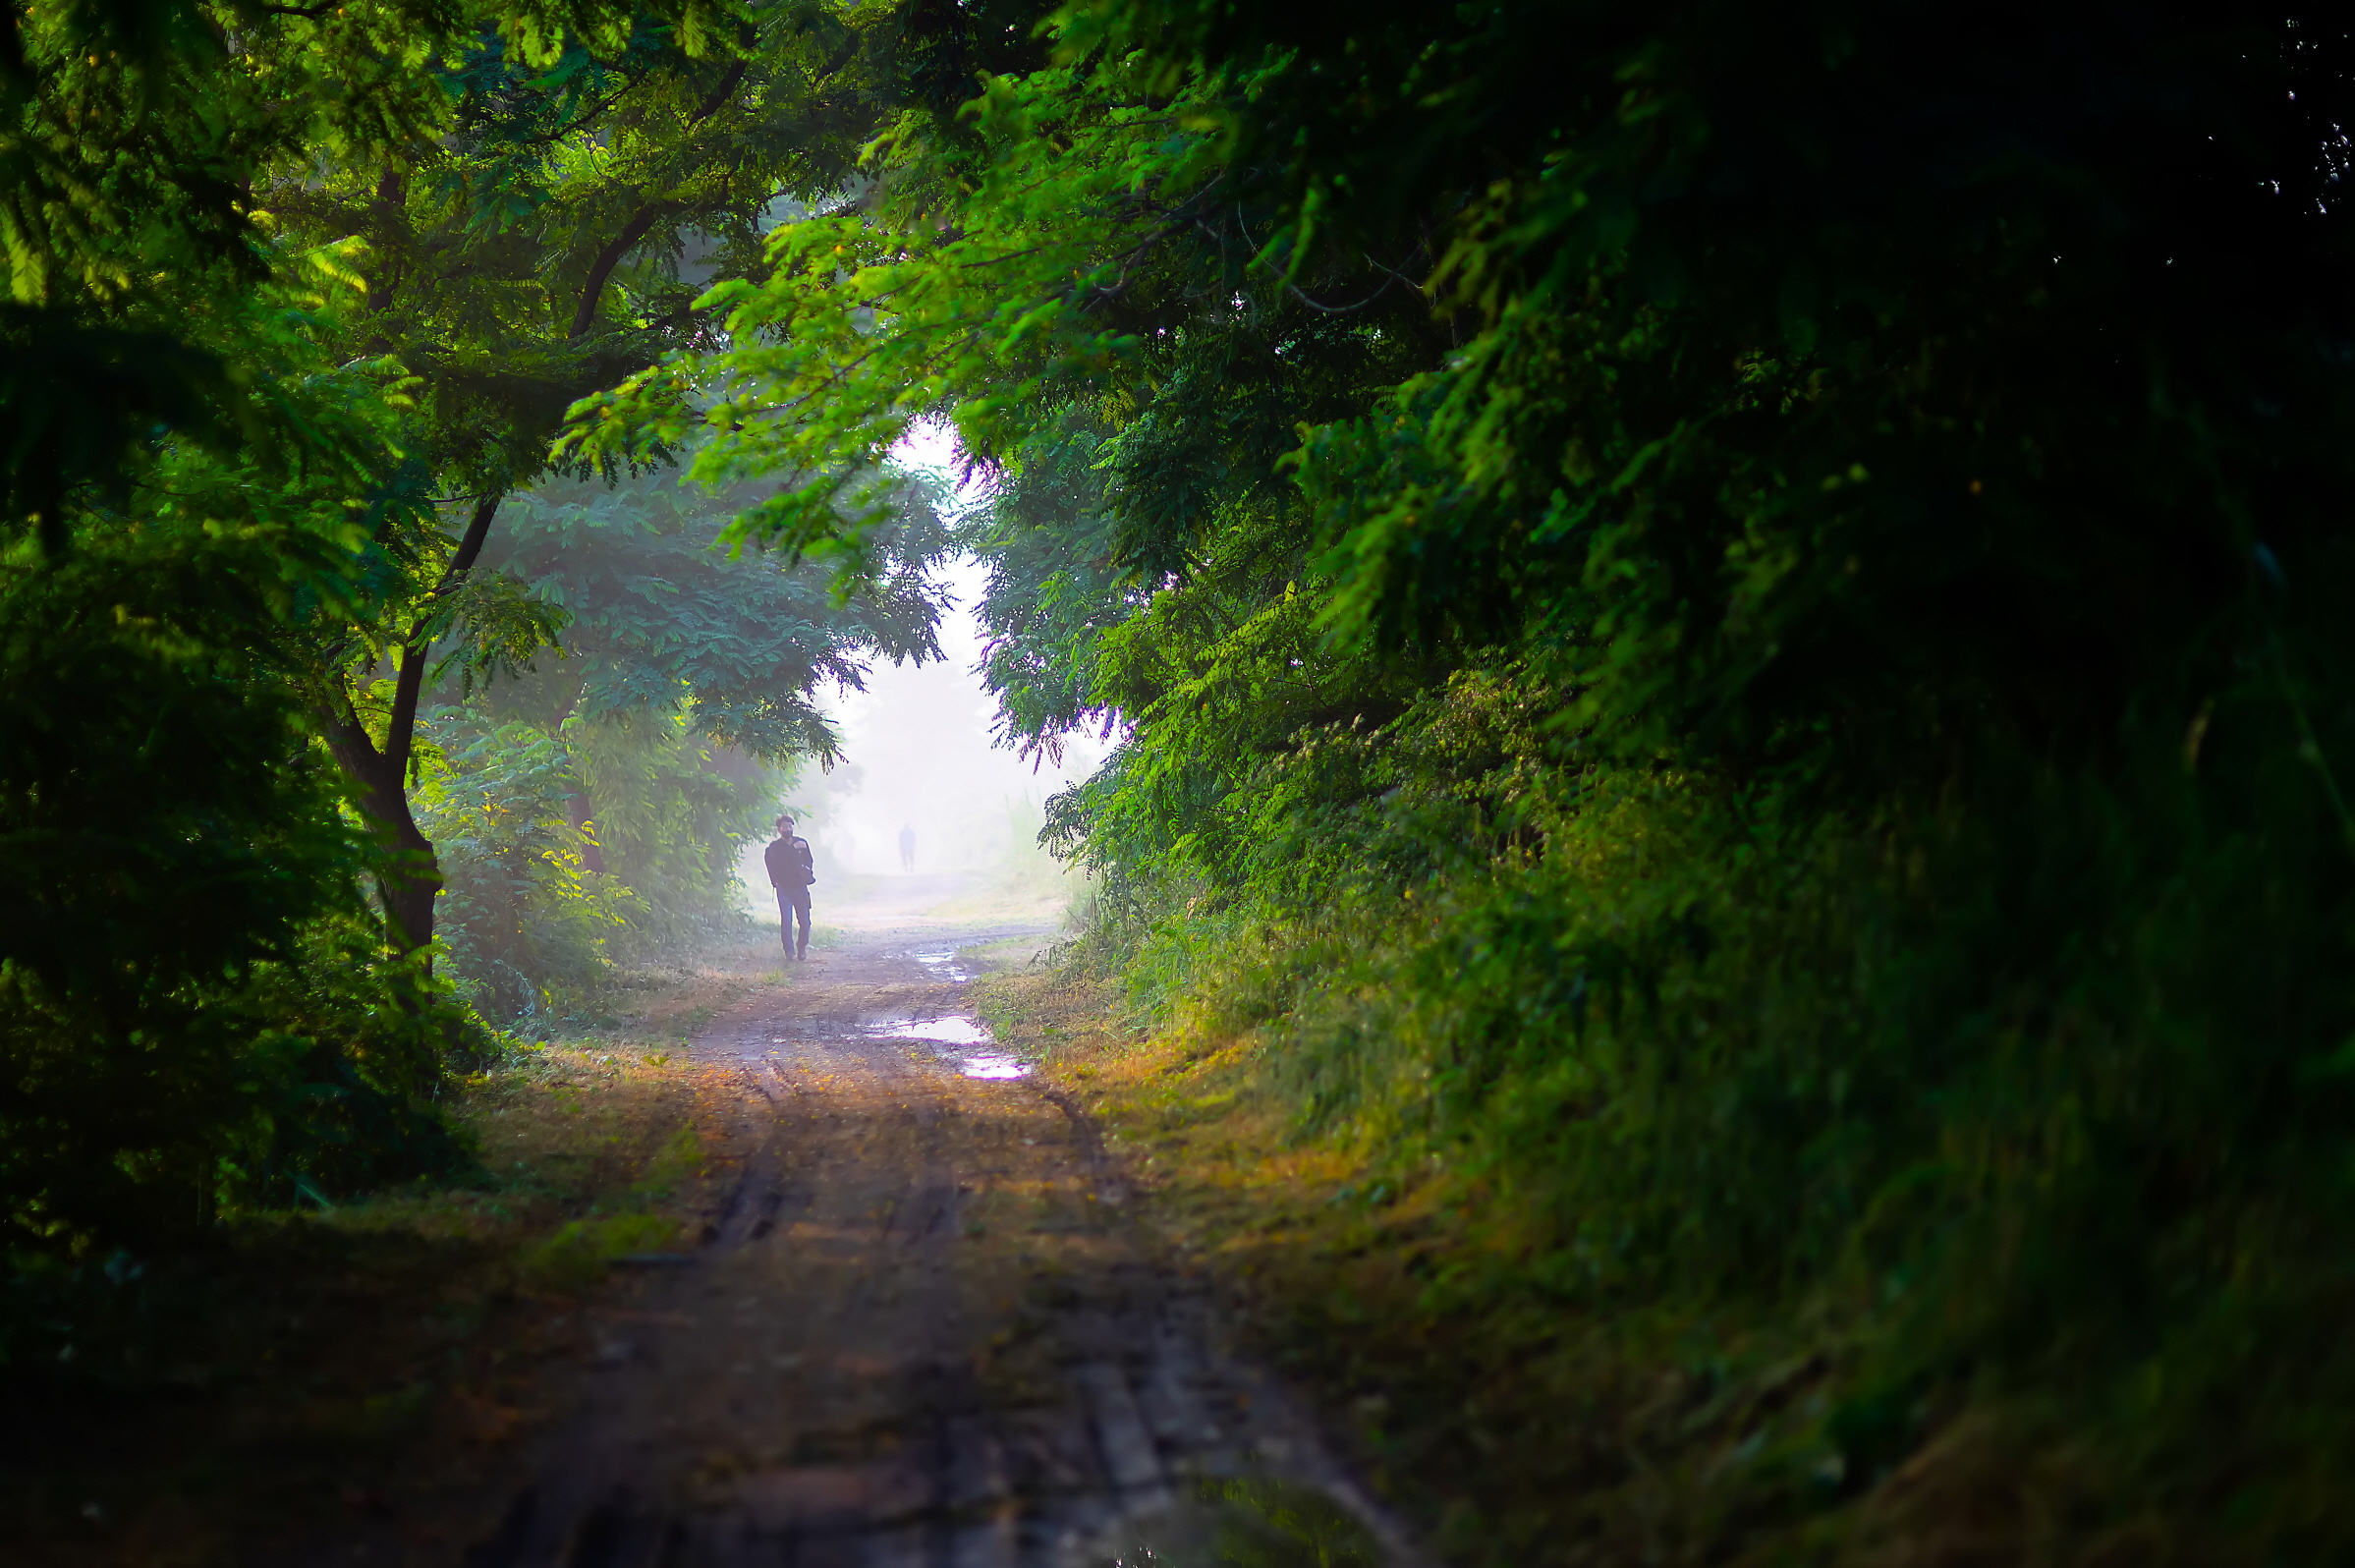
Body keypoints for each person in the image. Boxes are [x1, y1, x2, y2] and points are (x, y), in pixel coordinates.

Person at [763, 813, 816, 961]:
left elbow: (809, 861)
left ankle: (801, 948)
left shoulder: (802, 843)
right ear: (779, 829)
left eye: (790, 825)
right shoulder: (774, 847)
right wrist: (775, 882)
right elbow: (777, 862)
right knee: (786, 920)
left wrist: (806, 873)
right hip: (784, 889)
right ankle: (789, 952)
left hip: (800, 887)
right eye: (785, 826)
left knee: (805, 922)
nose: (788, 828)